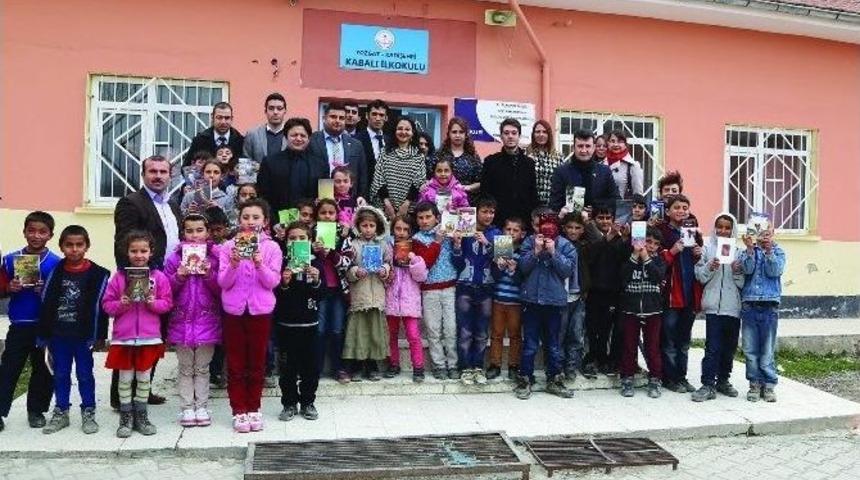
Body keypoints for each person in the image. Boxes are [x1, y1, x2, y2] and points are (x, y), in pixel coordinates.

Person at [112, 155, 181, 407]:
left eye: (163, 171)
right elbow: (123, 245)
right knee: (131, 339)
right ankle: (120, 397)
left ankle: (143, 389)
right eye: (153, 171)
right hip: (141, 282)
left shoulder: (172, 204)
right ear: (143, 175)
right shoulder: (131, 203)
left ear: (170, 175)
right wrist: (135, 283)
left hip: (167, 282)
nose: (158, 176)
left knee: (153, 337)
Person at [217, 199, 283, 433]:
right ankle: (238, 409)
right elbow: (223, 282)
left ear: (265, 221)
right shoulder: (228, 247)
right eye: (246, 217)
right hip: (234, 311)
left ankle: (254, 407)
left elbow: (272, 282)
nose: (250, 221)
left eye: (256, 217)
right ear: (239, 220)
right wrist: (234, 263)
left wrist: (259, 264)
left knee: (257, 361)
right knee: (235, 362)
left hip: (260, 311)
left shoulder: (272, 248)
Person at [37, 225, 110, 435]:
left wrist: (99, 336)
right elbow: (46, 303)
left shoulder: (98, 274)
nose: (74, 249)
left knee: (85, 375)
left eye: (79, 244)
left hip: (83, 336)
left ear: (87, 246)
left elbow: (101, 308)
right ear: (61, 246)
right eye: (69, 245)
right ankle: (61, 411)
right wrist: (43, 335)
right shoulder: (55, 272)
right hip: (59, 335)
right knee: (60, 374)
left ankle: (88, 411)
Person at [102, 230, 173, 438]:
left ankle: (141, 415)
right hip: (124, 338)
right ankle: (126, 416)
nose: (139, 255)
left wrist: (153, 303)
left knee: (144, 378)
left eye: (143, 251)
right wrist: (121, 304)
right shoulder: (119, 278)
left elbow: (167, 303)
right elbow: (107, 305)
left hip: (149, 337)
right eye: (134, 251)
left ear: (151, 252)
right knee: (125, 378)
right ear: (127, 252)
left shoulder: (158, 277)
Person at [0, 211, 59, 433]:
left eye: (42, 232)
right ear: (24, 232)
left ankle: (36, 411)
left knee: (43, 369)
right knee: (9, 368)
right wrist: (9, 288)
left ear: (50, 235)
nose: (36, 235)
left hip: (45, 326)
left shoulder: (56, 263)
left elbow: (62, 295)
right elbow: (1, 289)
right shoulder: (9, 260)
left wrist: (46, 292)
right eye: (31, 230)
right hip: (20, 324)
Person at [163, 213, 221, 427]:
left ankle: (202, 406)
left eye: (199, 230)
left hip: (207, 322)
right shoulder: (174, 258)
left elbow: (222, 289)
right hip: (182, 322)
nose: (194, 235)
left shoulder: (215, 257)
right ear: (183, 233)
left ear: (207, 233)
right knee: (186, 368)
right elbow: (165, 290)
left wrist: (209, 274)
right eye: (189, 231)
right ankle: (187, 408)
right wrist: (179, 276)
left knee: (203, 368)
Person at [514, 208, 576, 400]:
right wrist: (536, 251)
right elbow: (522, 268)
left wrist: (553, 252)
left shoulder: (565, 245)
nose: (546, 229)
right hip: (531, 300)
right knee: (530, 343)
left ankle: (554, 379)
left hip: (554, 301)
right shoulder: (529, 242)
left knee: (553, 344)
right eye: (540, 225)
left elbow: (567, 271)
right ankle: (525, 378)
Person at [692, 213, 745, 402]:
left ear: (733, 230)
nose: (723, 231)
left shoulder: (739, 252)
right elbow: (700, 276)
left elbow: (742, 283)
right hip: (713, 307)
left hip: (733, 307)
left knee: (729, 348)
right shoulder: (707, 249)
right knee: (712, 347)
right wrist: (710, 266)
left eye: (727, 227)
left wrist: (737, 271)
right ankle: (707, 383)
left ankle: (723, 380)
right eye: (719, 227)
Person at [275, 222, 323, 422]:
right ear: (286, 242)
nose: (297, 241)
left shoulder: (315, 263)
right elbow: (276, 295)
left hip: (310, 326)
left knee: (310, 369)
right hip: (286, 326)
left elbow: (322, 295)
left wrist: (316, 280)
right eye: (292, 238)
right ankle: (288, 403)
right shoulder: (281, 263)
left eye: (302, 238)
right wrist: (284, 283)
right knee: (287, 369)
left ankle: (308, 402)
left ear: (310, 241)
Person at [657, 194, 703, 394]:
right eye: (677, 207)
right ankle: (669, 378)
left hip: (690, 293)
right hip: (671, 295)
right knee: (668, 339)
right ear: (667, 211)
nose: (681, 211)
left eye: (685, 207)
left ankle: (681, 377)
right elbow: (656, 262)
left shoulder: (693, 231)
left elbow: (700, 263)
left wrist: (699, 254)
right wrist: (673, 251)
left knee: (684, 341)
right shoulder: (662, 232)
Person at [452, 197, 499, 385]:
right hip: (465, 286)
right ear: (475, 212)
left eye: (492, 212)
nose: (488, 215)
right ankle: (465, 368)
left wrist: (487, 244)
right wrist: (457, 245)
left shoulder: (497, 233)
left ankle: (478, 367)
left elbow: (503, 263)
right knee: (464, 331)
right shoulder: (464, 230)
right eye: (484, 211)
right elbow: (456, 263)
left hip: (486, 288)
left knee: (481, 332)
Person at [343, 206, 392, 381]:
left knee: (374, 332)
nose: (368, 229)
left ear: (377, 226)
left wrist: (384, 270)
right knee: (359, 332)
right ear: (358, 226)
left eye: (372, 225)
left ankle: (372, 366)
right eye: (364, 225)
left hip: (376, 296)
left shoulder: (383, 244)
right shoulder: (353, 245)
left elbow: (389, 263)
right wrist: (356, 271)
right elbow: (347, 268)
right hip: (360, 296)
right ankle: (357, 366)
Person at [738, 224, 785, 403]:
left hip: (769, 305)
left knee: (767, 349)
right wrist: (750, 249)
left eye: (767, 233)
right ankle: (754, 384)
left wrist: (769, 251)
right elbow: (747, 270)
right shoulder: (747, 252)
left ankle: (769, 384)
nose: (764, 237)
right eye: (760, 233)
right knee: (750, 349)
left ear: (773, 234)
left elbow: (775, 271)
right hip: (750, 304)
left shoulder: (778, 251)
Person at [618, 226, 666, 398]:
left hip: (653, 311)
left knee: (652, 347)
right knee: (629, 346)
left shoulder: (659, 261)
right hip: (631, 310)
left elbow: (658, 277)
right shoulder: (630, 259)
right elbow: (623, 277)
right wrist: (635, 256)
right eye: (648, 242)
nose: (651, 246)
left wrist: (646, 258)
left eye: (655, 243)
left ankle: (655, 379)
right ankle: (627, 378)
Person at [412, 201, 459, 380]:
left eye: (428, 217)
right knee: (433, 330)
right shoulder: (417, 239)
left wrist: (456, 243)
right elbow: (426, 262)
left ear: (437, 218)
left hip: (450, 287)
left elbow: (458, 258)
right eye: (420, 218)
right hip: (429, 290)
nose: (424, 221)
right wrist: (437, 242)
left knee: (451, 329)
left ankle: (453, 364)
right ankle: (439, 365)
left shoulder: (447, 231)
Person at [582, 204, 627, 376]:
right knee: (594, 328)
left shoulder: (619, 238)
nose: (605, 221)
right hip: (594, 290)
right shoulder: (589, 237)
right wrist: (607, 239)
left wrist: (624, 238)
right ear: (594, 220)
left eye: (608, 218)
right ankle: (593, 359)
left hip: (614, 290)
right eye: (601, 218)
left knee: (610, 329)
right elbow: (590, 257)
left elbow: (624, 258)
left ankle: (609, 361)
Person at [313, 199, 353, 383]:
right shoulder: (310, 233)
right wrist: (312, 250)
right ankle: (316, 368)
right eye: (323, 213)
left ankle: (339, 368)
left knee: (337, 330)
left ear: (337, 215)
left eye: (331, 213)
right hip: (318, 289)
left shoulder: (344, 236)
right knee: (319, 331)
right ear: (317, 215)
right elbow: (301, 259)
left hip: (337, 290)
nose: (327, 216)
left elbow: (347, 262)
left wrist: (331, 253)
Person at [384, 215, 428, 383]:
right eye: (398, 229)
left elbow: (422, 276)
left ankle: (418, 367)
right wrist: (387, 272)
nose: (401, 232)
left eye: (405, 229)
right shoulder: (387, 247)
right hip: (391, 298)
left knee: (413, 335)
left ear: (410, 231)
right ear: (392, 229)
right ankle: (394, 364)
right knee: (391, 334)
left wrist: (414, 260)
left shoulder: (415, 247)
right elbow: (382, 273)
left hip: (410, 299)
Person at [257, 117, 329, 214]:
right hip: (279, 219)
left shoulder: (321, 164)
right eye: (294, 135)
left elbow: (326, 198)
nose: (298, 139)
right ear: (286, 137)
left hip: (311, 219)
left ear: (309, 139)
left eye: (303, 136)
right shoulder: (269, 162)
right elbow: (263, 196)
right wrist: (273, 220)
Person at [487, 217, 526, 381]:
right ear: (503, 231)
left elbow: (522, 280)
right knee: (496, 334)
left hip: (515, 301)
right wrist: (499, 266)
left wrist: (513, 269)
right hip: (498, 299)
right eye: (508, 229)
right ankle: (494, 365)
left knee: (515, 335)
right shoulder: (500, 248)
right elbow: (495, 277)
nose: (511, 233)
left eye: (515, 230)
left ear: (522, 234)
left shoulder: (523, 252)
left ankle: (513, 365)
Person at [481, 118, 538, 229]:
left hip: (523, 224)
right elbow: (485, 194)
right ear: (501, 136)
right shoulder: (491, 162)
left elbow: (533, 194)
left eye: (514, 133)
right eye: (506, 133)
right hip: (499, 223)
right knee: (501, 244)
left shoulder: (529, 164)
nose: (510, 136)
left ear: (519, 136)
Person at [548, 129, 620, 214]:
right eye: (580, 146)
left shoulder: (605, 171)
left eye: (588, 146)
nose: (584, 150)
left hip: (598, 221)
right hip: (569, 221)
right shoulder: (561, 172)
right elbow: (554, 205)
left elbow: (615, 200)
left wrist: (596, 209)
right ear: (573, 148)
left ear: (593, 147)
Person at [369, 117, 426, 220]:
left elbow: (419, 182)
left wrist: (406, 204)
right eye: (400, 129)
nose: (403, 132)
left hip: (409, 210)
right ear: (394, 131)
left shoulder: (419, 155)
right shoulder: (385, 152)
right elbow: (378, 179)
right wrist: (387, 203)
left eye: (407, 129)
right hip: (385, 208)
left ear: (413, 132)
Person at [307, 102, 368, 198]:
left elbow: (362, 176)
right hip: (319, 197)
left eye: (341, 118)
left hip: (348, 199)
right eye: (333, 117)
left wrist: (361, 196)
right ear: (324, 118)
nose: (337, 121)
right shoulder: (311, 141)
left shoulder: (356, 145)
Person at [559, 212, 591, 380]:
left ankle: (571, 366)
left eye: (577, 228)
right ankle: (558, 366)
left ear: (582, 230)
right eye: (569, 227)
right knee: (560, 334)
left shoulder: (585, 246)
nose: (573, 231)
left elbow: (598, 240)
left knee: (576, 334)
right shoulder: (557, 245)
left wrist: (588, 221)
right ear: (563, 228)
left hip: (578, 296)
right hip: (560, 296)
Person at [432, 117, 482, 204]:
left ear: (466, 135)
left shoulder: (473, 157)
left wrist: (468, 187)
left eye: (461, 132)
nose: (457, 135)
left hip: (466, 203)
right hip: (441, 202)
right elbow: (428, 179)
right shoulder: (439, 155)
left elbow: (480, 182)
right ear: (449, 134)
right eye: (454, 132)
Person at [183, 102, 245, 166]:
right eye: (219, 117)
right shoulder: (199, 140)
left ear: (232, 119)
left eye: (227, 118)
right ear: (212, 118)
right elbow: (186, 167)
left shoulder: (241, 142)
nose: (223, 122)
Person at [604, 131, 645, 224]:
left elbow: (638, 195)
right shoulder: (601, 164)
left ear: (626, 144)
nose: (616, 144)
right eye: (612, 141)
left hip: (622, 214)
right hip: (603, 213)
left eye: (620, 141)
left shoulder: (633, 166)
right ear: (608, 143)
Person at [354, 99, 390, 195]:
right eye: (374, 114)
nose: (378, 118)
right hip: (364, 194)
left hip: (388, 195)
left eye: (381, 115)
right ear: (367, 116)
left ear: (386, 118)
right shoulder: (356, 140)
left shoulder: (390, 142)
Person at [526, 120, 564, 207]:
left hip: (552, 205)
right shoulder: (526, 155)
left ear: (549, 135)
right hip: (531, 205)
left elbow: (562, 182)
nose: (541, 135)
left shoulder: (558, 157)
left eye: (544, 132)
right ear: (533, 134)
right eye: (538, 132)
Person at [243, 93, 288, 164]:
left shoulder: (292, 135)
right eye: (271, 108)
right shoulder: (253, 134)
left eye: (279, 108)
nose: (275, 112)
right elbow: (246, 161)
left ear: (285, 111)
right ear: (265, 111)